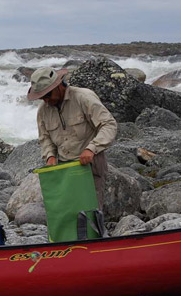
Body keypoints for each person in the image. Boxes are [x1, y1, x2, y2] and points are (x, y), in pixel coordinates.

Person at [27, 67, 117, 207]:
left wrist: (92, 149)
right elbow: (45, 139)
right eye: (42, 97)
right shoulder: (43, 111)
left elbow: (109, 125)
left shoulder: (84, 97)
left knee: (90, 210)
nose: (46, 100)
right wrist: (50, 157)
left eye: (48, 94)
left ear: (59, 86)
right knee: (68, 211)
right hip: (64, 168)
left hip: (90, 165)